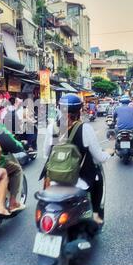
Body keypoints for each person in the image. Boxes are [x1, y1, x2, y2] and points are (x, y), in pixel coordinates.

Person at [43, 94, 114, 225]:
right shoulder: (85, 129)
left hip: (53, 180)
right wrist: (109, 153)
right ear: (79, 110)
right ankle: (96, 213)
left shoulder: (51, 128)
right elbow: (98, 157)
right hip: (79, 181)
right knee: (98, 178)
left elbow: (46, 153)